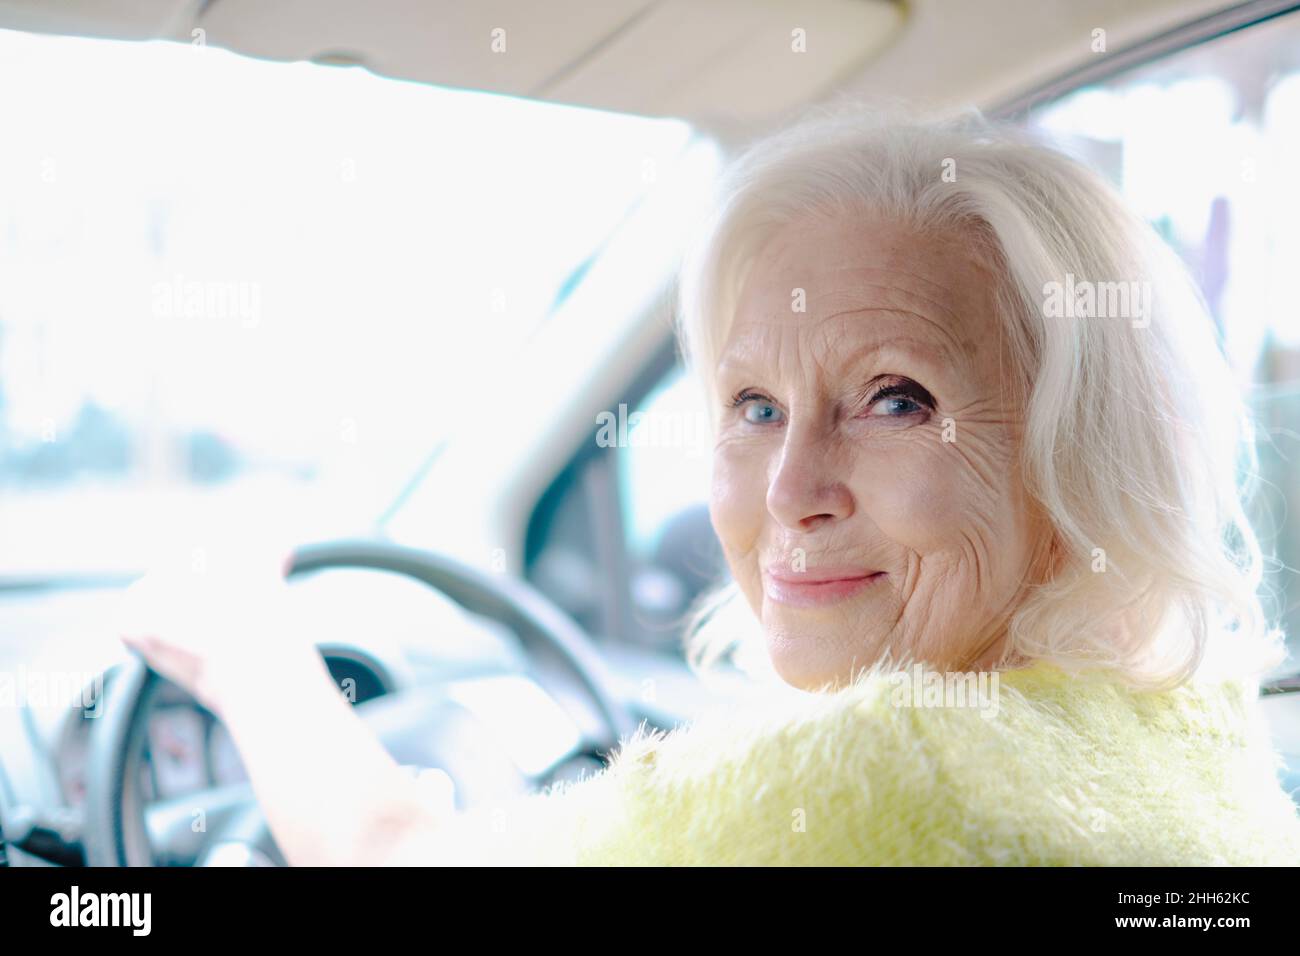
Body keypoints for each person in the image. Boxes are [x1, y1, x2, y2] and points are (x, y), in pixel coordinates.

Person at [119, 107, 1300, 865]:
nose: (790, 488)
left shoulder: (866, 782)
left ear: (1082, 453)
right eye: (753, 406)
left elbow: (390, 858)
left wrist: (246, 658)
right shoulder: (1191, 729)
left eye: (896, 397)